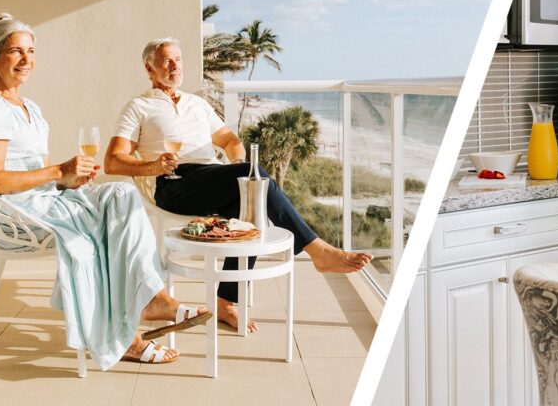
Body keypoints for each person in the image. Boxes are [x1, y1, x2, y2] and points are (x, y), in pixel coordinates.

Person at [0, 14, 211, 369]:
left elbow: (42, 176)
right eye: (16, 51)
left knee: (120, 196)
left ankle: (153, 297)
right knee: (98, 229)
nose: (27, 59)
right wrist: (59, 171)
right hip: (12, 212)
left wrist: (68, 180)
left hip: (42, 198)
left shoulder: (30, 108)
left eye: (31, 51)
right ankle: (128, 336)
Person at [104, 37, 373, 333]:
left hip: (210, 176)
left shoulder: (197, 104)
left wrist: (236, 164)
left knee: (250, 204)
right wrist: (153, 166)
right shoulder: (139, 107)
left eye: (178, 59)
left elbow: (230, 140)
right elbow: (113, 161)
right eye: (166, 60)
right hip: (171, 184)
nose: (174, 66)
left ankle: (225, 302)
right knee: (253, 180)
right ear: (149, 68)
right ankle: (318, 250)